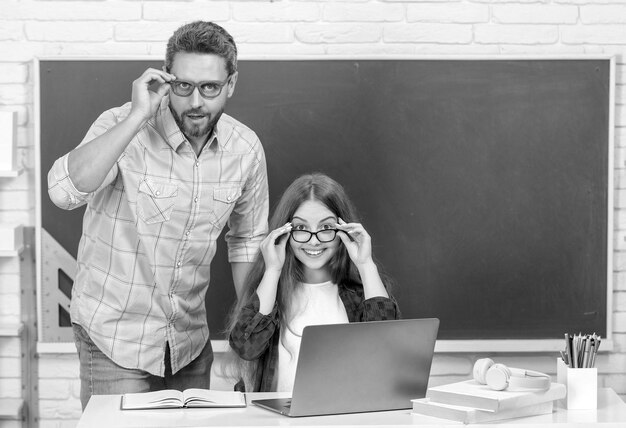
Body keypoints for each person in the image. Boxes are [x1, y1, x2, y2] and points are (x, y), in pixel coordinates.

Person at [47, 21, 269, 409]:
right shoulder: (122, 124)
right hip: (114, 338)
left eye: (210, 88)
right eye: (183, 86)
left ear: (231, 84)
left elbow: (246, 242)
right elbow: (63, 193)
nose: (195, 102)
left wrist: (254, 330)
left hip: (188, 342)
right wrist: (136, 117)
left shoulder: (245, 149)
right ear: (167, 80)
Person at [226, 173, 399, 392]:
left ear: (343, 230)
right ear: (285, 231)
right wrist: (272, 270)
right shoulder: (272, 290)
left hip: (346, 417)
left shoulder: (363, 290)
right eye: (301, 228)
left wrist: (365, 265)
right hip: (279, 422)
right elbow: (245, 347)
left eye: (326, 228)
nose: (314, 239)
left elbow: (387, 351)